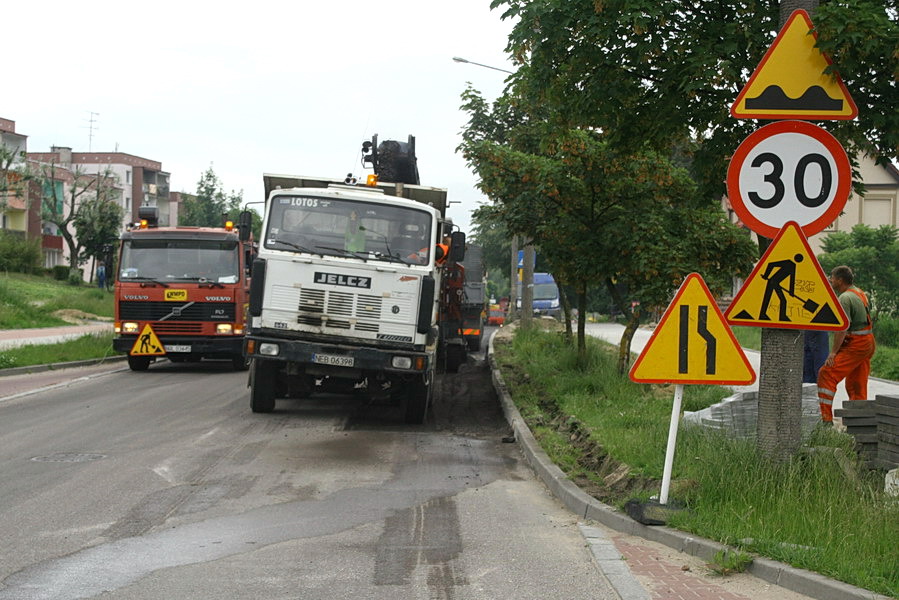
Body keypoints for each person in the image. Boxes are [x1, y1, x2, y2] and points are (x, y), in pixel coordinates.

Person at [816, 265, 876, 423]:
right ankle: (860, 422)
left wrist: (833, 353)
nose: (830, 279)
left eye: (832, 277)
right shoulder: (858, 292)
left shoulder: (844, 298)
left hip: (857, 344)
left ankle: (826, 420)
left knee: (827, 373)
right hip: (867, 342)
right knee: (857, 382)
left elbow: (842, 329)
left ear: (840, 280)